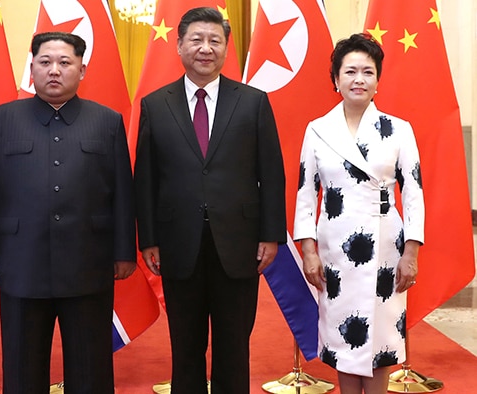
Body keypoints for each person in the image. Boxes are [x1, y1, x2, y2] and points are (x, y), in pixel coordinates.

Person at [0, 32, 136, 394]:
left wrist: (124, 252)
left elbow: (122, 191)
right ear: (32, 68)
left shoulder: (107, 122)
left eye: (65, 63)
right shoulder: (2, 119)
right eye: (45, 62)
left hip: (89, 263)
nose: (54, 71)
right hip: (21, 263)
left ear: (82, 69)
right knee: (22, 367)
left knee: (91, 369)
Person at [134, 7, 287, 393]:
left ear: (225, 47)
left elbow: (271, 173)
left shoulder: (253, 101)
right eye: (197, 40)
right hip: (177, 244)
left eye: (214, 40)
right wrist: (148, 238)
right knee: (185, 346)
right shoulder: (156, 104)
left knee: (233, 345)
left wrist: (271, 235)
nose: (206, 48)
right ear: (180, 45)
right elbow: (146, 177)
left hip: (238, 244)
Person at [294, 33, 424, 394]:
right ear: (336, 79)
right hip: (336, 249)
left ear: (378, 80)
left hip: (385, 248)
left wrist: (411, 253)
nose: (359, 79)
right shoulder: (318, 130)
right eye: (350, 71)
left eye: (368, 71)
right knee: (343, 334)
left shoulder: (399, 130)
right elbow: (306, 193)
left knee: (380, 335)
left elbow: (413, 193)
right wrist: (308, 251)